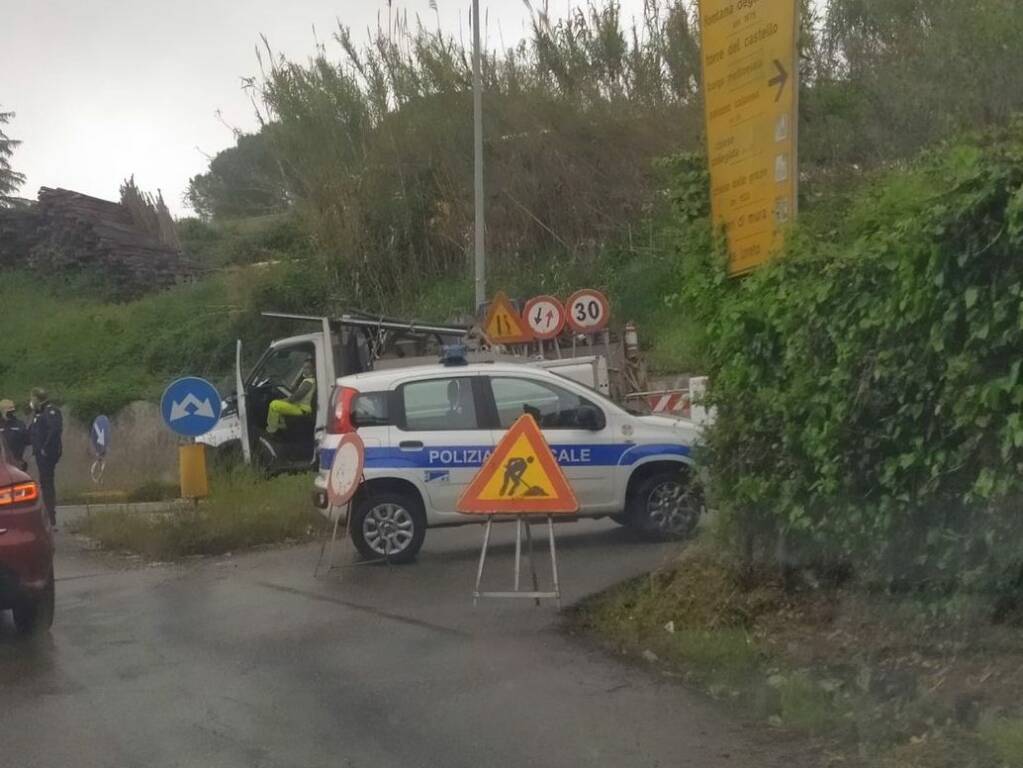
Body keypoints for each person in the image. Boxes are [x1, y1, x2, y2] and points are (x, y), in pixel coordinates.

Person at [28, 388, 63, 526]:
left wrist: (44, 448)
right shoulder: (39, 413)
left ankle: (51, 516)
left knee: (47, 483)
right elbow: (32, 433)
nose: (31, 401)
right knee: (44, 482)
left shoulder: (50, 411)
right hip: (40, 455)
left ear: (37, 398)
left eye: (32, 398)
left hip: (47, 455)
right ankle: (49, 514)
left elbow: (55, 430)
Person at [266, 358, 316, 435]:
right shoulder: (307, 380)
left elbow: (297, 396)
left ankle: (271, 430)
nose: (305, 370)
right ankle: (282, 426)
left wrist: (284, 400)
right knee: (279, 404)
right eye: (304, 367)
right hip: (299, 406)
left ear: (313, 369)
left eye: (308, 368)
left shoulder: (308, 382)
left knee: (274, 405)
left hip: (302, 409)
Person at [0, 399, 29, 470]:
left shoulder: (19, 424)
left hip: (17, 461)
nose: (11, 413)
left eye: (12, 411)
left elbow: (27, 440)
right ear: (2, 410)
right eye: (8, 411)